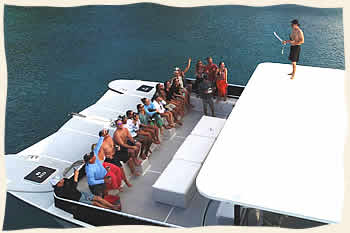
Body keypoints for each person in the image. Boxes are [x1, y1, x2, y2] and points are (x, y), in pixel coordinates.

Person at [51, 169, 121, 211]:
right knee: (95, 203)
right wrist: (76, 176)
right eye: (60, 180)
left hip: (80, 193)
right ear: (57, 184)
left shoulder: (64, 182)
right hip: (78, 199)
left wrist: (75, 175)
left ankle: (113, 206)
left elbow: (70, 183)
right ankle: (109, 209)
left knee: (98, 198)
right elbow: (73, 187)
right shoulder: (60, 192)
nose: (62, 179)